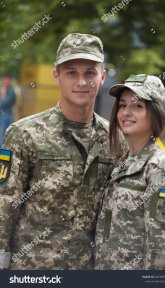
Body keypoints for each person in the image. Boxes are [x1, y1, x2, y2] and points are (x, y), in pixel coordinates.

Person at [0, 33, 126, 270]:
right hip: (33, 270)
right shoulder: (24, 133)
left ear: (102, 77)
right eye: (71, 72)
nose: (81, 81)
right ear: (56, 75)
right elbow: (5, 202)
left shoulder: (115, 139)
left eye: (90, 72)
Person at [95, 74, 165, 270]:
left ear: (155, 113)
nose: (126, 112)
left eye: (137, 106)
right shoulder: (122, 161)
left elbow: (160, 247)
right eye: (123, 105)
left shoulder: (159, 167)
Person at [0, 75, 16, 147]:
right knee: (3, 134)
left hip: (7, 115)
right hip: (3, 115)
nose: (5, 82)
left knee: (5, 134)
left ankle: (3, 151)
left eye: (7, 80)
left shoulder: (11, 91)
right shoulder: (5, 90)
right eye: (4, 80)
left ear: (10, 81)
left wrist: (3, 95)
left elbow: (3, 103)